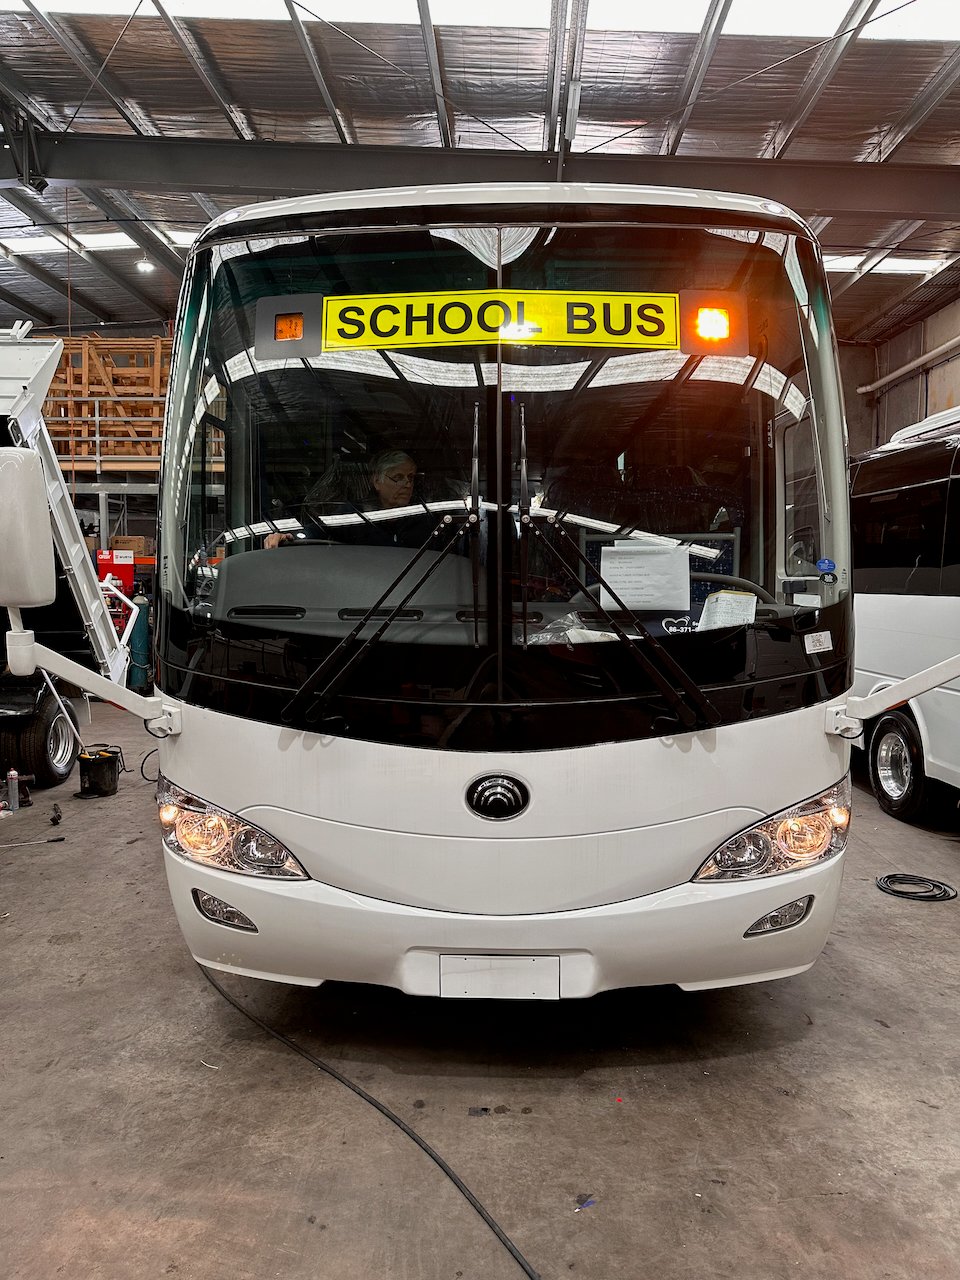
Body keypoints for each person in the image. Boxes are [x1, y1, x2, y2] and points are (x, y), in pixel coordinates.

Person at [264, 450, 443, 549]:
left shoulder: (424, 518)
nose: (407, 484)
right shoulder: (353, 515)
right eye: (398, 477)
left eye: (410, 477)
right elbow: (316, 533)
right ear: (376, 481)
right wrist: (286, 537)